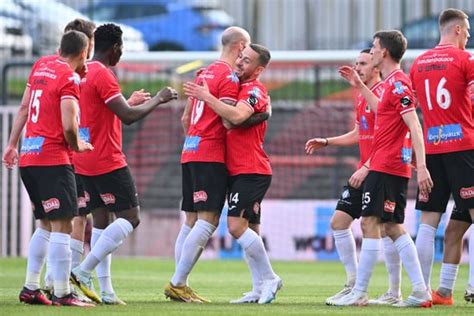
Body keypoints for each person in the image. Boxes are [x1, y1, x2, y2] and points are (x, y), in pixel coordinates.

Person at [69, 23, 177, 304]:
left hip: (84, 158)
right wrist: (158, 99)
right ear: (115, 48)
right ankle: (83, 270)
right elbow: (128, 116)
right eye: (122, 48)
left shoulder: (81, 73)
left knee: (102, 224)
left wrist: (128, 102)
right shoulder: (104, 74)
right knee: (131, 217)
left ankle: (106, 292)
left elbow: (101, 112)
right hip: (107, 160)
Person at [333, 30, 433, 307]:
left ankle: (360, 292)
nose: (372, 51)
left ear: (384, 53)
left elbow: (415, 125)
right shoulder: (390, 84)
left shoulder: (399, 84)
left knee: (371, 223)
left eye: (375, 47)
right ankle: (419, 291)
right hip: (384, 164)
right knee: (391, 225)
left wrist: (422, 167)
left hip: (388, 164)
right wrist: (359, 85)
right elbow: (381, 109)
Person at [184, 43, 282, 304]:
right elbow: (232, 119)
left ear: (258, 69)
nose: (239, 62)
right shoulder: (238, 87)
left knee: (236, 226)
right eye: (240, 57)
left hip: (251, 169)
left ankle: (271, 278)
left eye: (247, 61)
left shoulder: (253, 90)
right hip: (237, 170)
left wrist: (207, 97)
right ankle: (259, 287)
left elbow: (235, 117)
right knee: (251, 229)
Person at [306, 49, 403, 305]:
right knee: (339, 222)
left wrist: (367, 166)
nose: (357, 67)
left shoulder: (384, 94)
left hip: (379, 169)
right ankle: (353, 284)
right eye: (356, 63)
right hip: (366, 168)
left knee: (387, 228)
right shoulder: (362, 96)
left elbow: (391, 137)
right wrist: (327, 141)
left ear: (376, 67)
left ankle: (393, 290)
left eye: (363, 63)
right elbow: (360, 133)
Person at [164, 26, 251, 303]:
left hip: (189, 151)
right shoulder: (227, 76)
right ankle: (178, 283)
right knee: (209, 220)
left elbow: (185, 119)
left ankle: (181, 283)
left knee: (190, 221)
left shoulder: (203, 73)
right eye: (246, 50)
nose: (245, 56)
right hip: (209, 153)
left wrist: (196, 137)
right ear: (239, 47)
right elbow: (228, 119)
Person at [17, 30, 94, 307]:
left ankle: (31, 287)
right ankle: (62, 293)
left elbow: (25, 106)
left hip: (29, 156)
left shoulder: (42, 64)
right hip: (53, 160)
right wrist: (78, 145)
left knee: (45, 225)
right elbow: (69, 125)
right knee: (64, 224)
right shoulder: (68, 77)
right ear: (84, 52)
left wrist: (12, 144)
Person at [409, 8, 474, 305]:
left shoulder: (418, 63)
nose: (469, 37)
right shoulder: (465, 59)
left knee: (429, 221)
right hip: (463, 147)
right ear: (458, 30)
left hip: (433, 148)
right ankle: (472, 286)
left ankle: (425, 292)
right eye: (468, 31)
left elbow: (415, 109)